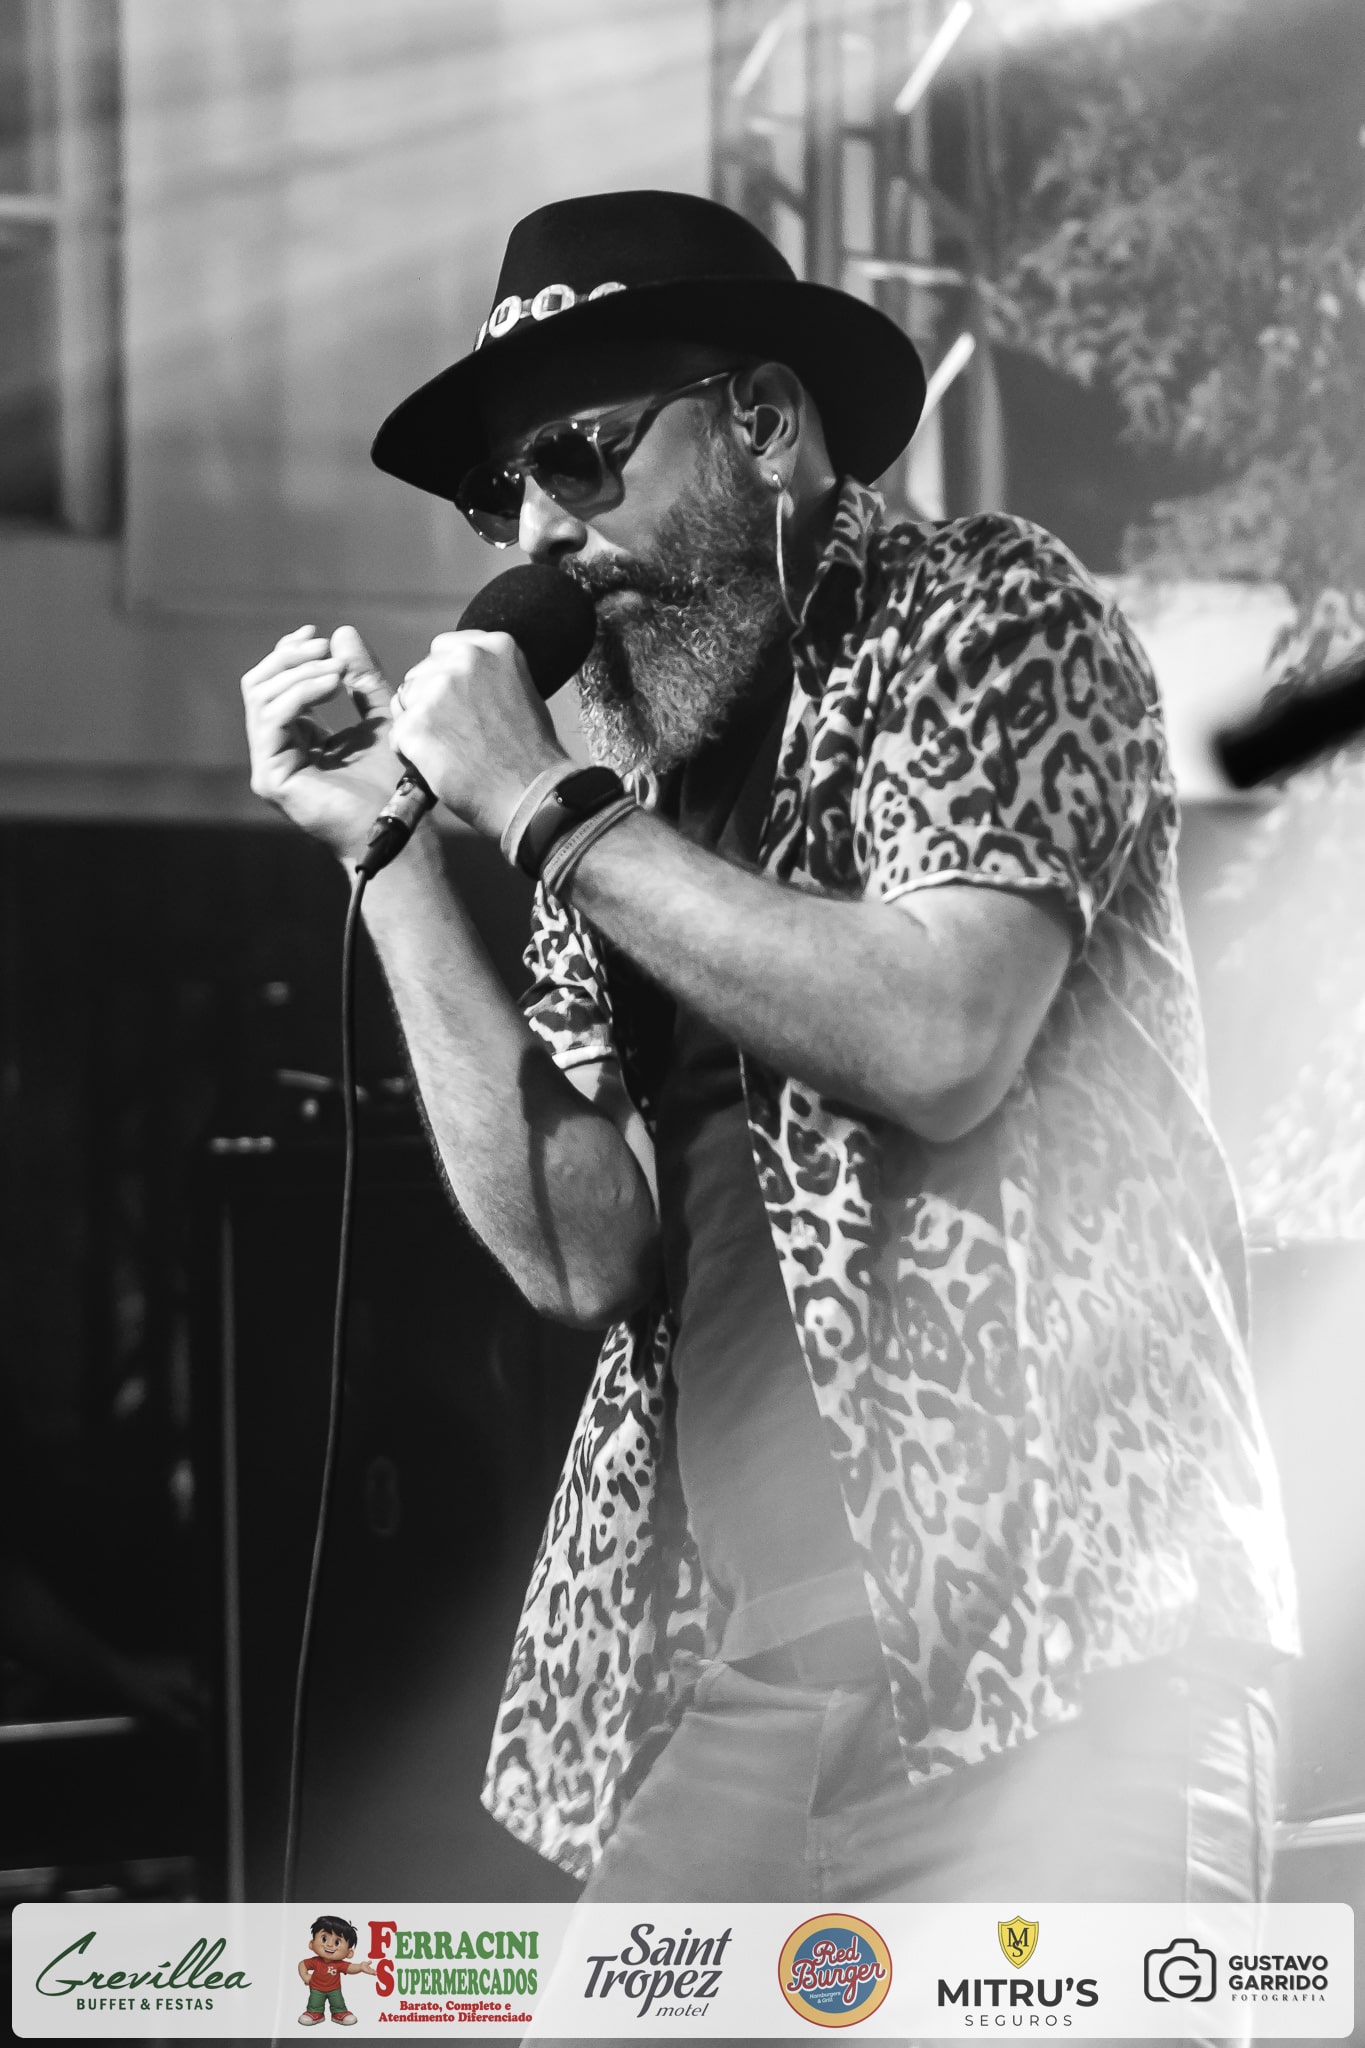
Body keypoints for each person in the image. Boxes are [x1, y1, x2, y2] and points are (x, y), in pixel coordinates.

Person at [240, 190, 1298, 1905]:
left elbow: (941, 1033)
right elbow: (581, 1252)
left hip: (1073, 1654)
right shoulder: (622, 796)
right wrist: (394, 857)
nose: (538, 530)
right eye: (500, 492)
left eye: (578, 458)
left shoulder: (982, 612)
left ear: (762, 425)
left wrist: (544, 809)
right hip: (746, 1693)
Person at [297, 1915, 375, 2027]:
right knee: (314, 2003)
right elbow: (302, 1965)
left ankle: (339, 2013)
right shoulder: (315, 1961)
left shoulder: (339, 1964)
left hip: (334, 1990)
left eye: (337, 1942)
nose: (329, 1945)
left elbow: (350, 1968)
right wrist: (305, 1977)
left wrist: (360, 1967)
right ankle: (315, 2013)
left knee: (338, 2003)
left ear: (349, 1953)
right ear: (312, 1944)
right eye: (324, 1939)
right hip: (316, 1989)